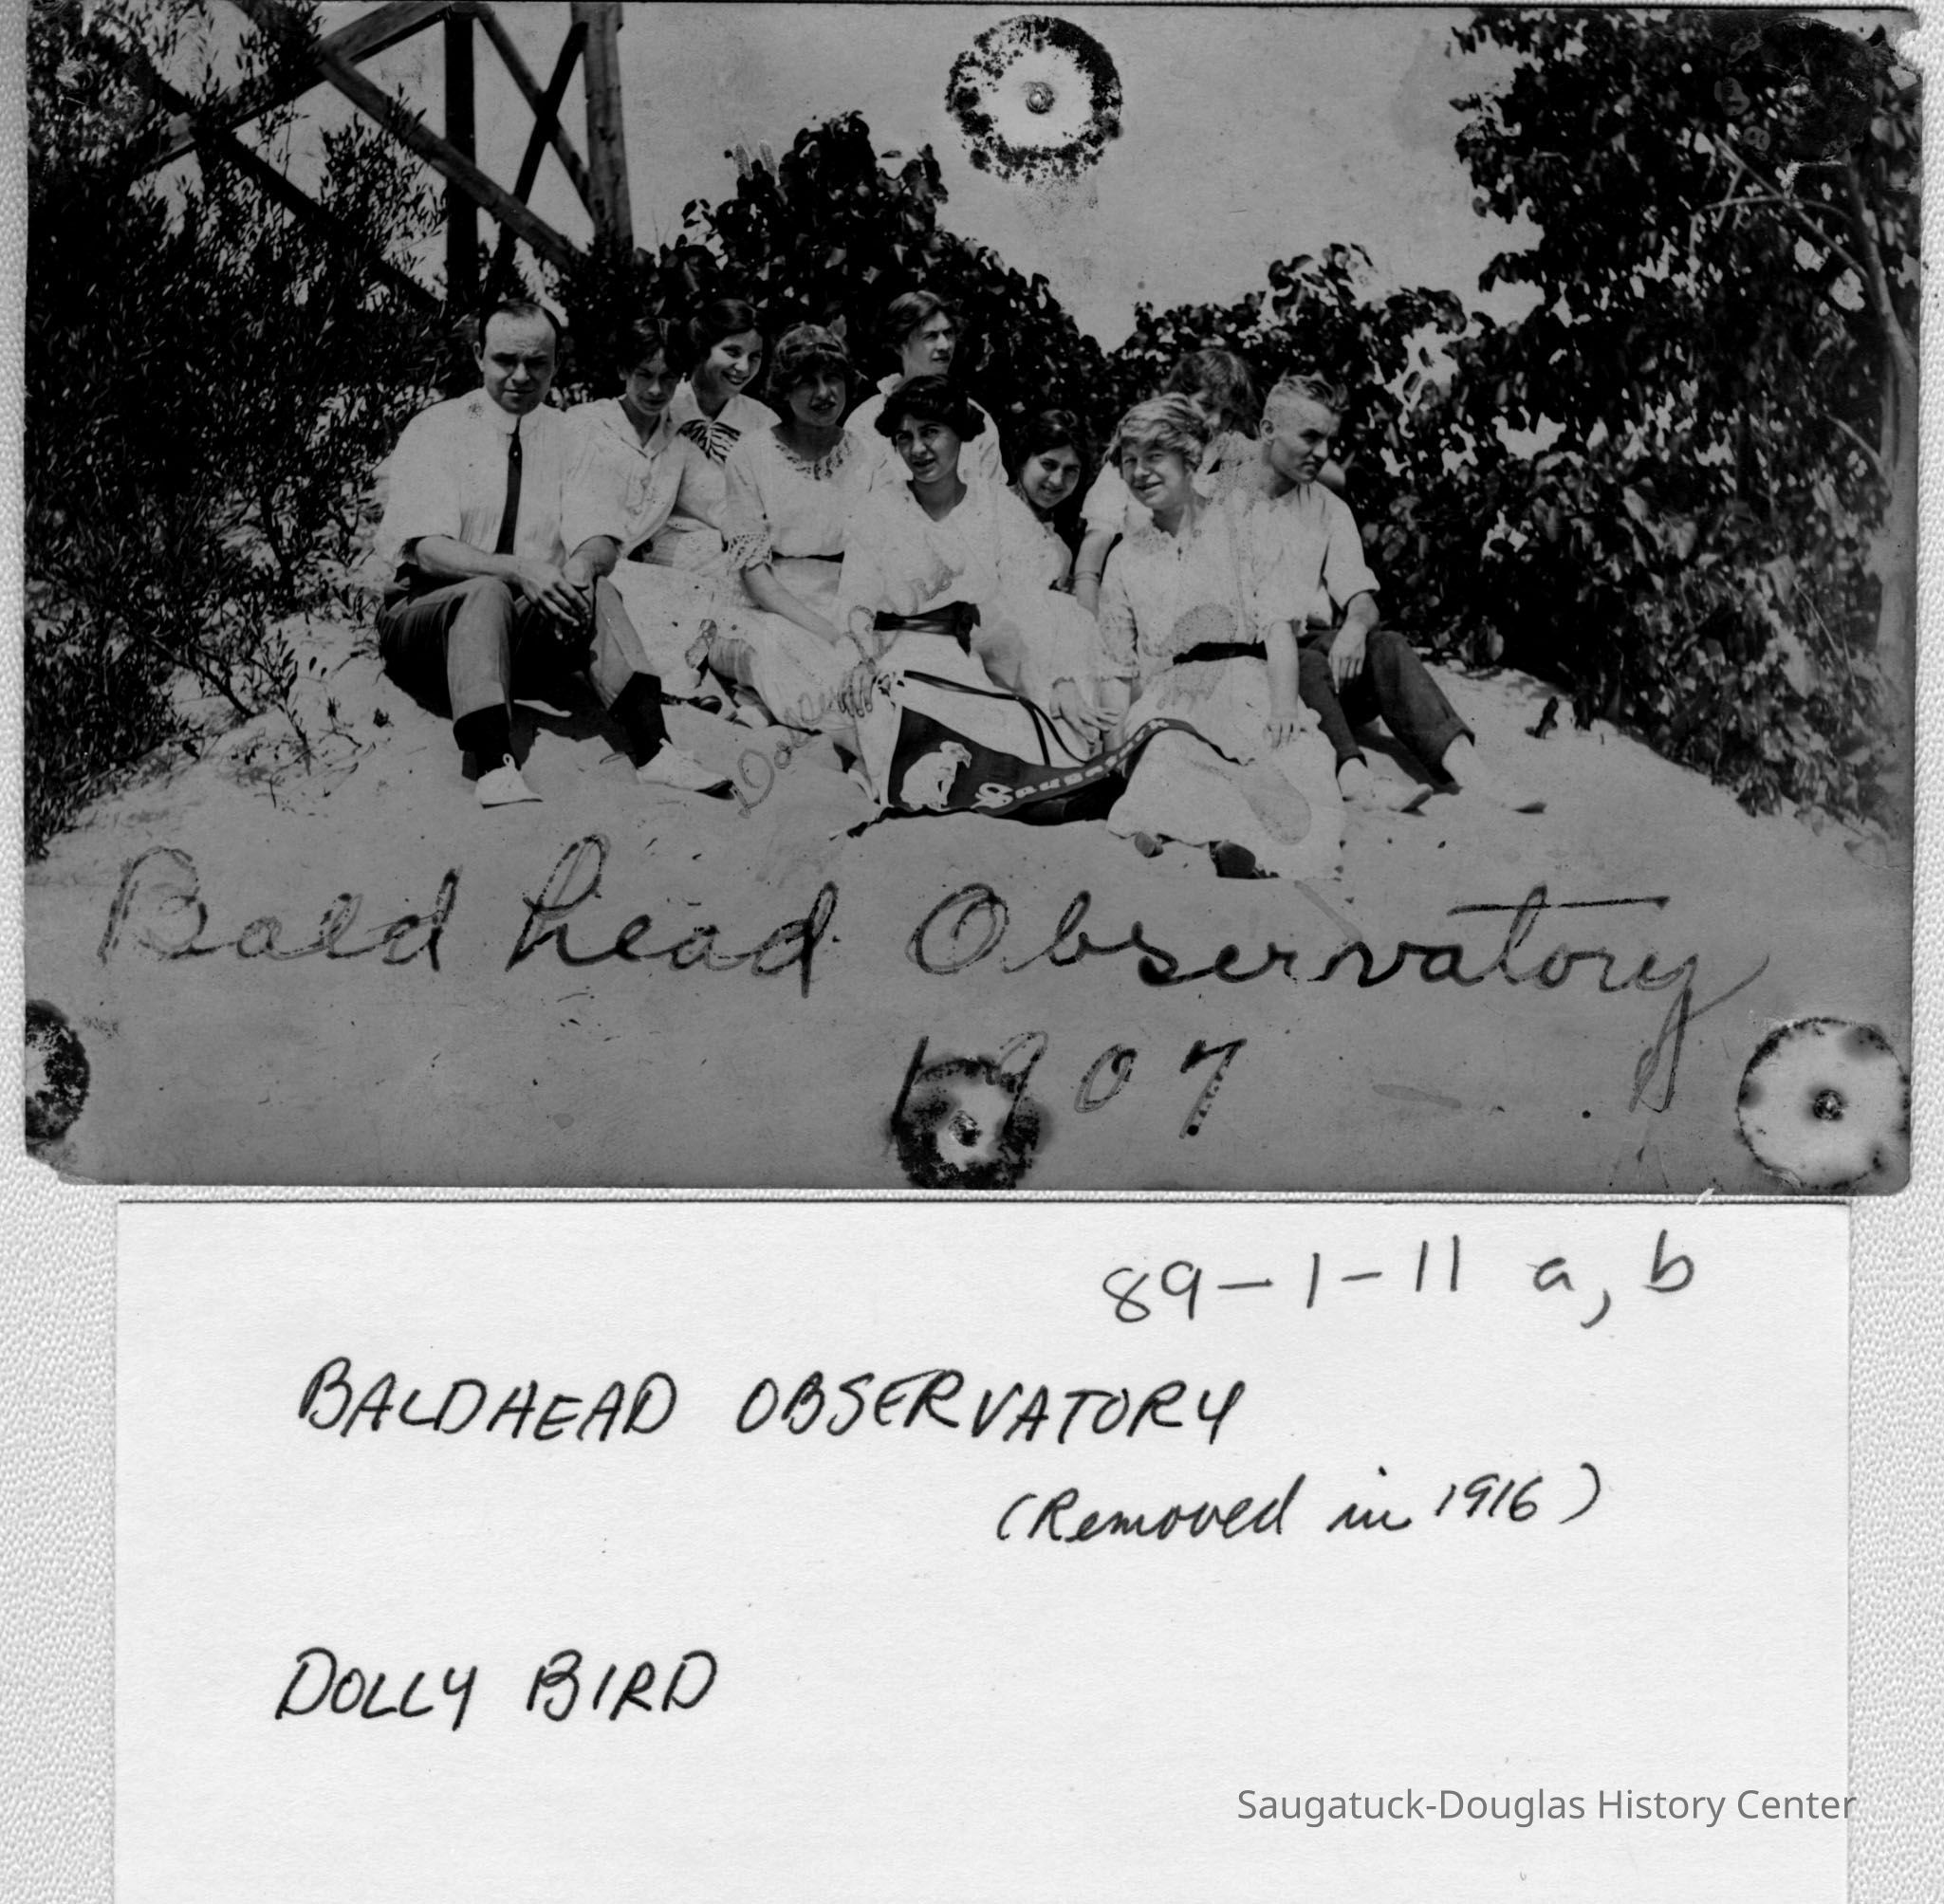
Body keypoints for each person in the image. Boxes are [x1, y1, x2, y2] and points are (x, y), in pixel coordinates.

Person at [370, 299, 726, 805]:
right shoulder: (439, 427)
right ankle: (493, 763)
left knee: (598, 587)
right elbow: (428, 551)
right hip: (426, 625)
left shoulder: (570, 436)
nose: (520, 376)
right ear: (478, 356)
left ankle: (656, 750)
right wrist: (522, 570)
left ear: (555, 364)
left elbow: (601, 536)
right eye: (505, 361)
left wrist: (579, 569)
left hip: (519, 632)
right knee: (488, 590)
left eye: (537, 363)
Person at [1252, 373, 1542, 813]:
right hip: (1253, 666)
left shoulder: (1329, 509)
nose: (1324, 453)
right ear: (1267, 431)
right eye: (1310, 437)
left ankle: (1469, 769)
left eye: (1330, 439)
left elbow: (1361, 595)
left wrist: (1353, 625)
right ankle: (1356, 779)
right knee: (1305, 660)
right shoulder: (1224, 503)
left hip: (1315, 660)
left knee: (1387, 645)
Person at [1092, 396, 1342, 878]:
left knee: (1303, 756)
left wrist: (1285, 707)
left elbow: (1277, 627)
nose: (1140, 472)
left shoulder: (1245, 520)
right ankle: (1225, 819)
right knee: (1166, 755)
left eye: (1154, 458)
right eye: (1129, 461)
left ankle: (1230, 829)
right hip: (1173, 695)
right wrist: (1112, 754)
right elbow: (1115, 665)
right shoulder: (1125, 557)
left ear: (1190, 459)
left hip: (1248, 680)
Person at [837, 377, 1109, 805]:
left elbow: (1030, 602)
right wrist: (858, 660)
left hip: (969, 657)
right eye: (904, 438)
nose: (918, 450)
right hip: (895, 656)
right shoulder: (879, 508)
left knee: (1034, 720)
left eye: (930, 433)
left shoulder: (996, 507)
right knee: (905, 710)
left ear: (960, 434)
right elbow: (855, 600)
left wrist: (1059, 679)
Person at [644, 297, 780, 573]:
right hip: (667, 552)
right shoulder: (663, 407)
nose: (743, 367)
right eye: (732, 352)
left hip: (742, 549)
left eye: (754, 357)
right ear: (703, 349)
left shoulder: (762, 421)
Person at [846, 290, 1005, 486]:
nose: (945, 345)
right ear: (900, 345)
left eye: (948, 333)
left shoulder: (975, 418)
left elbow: (994, 501)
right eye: (931, 336)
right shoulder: (866, 420)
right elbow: (851, 504)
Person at [1006, 409, 1090, 590]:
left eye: (1070, 470)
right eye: (1048, 465)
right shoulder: (986, 514)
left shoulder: (1060, 553)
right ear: (1022, 459)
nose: (1057, 480)